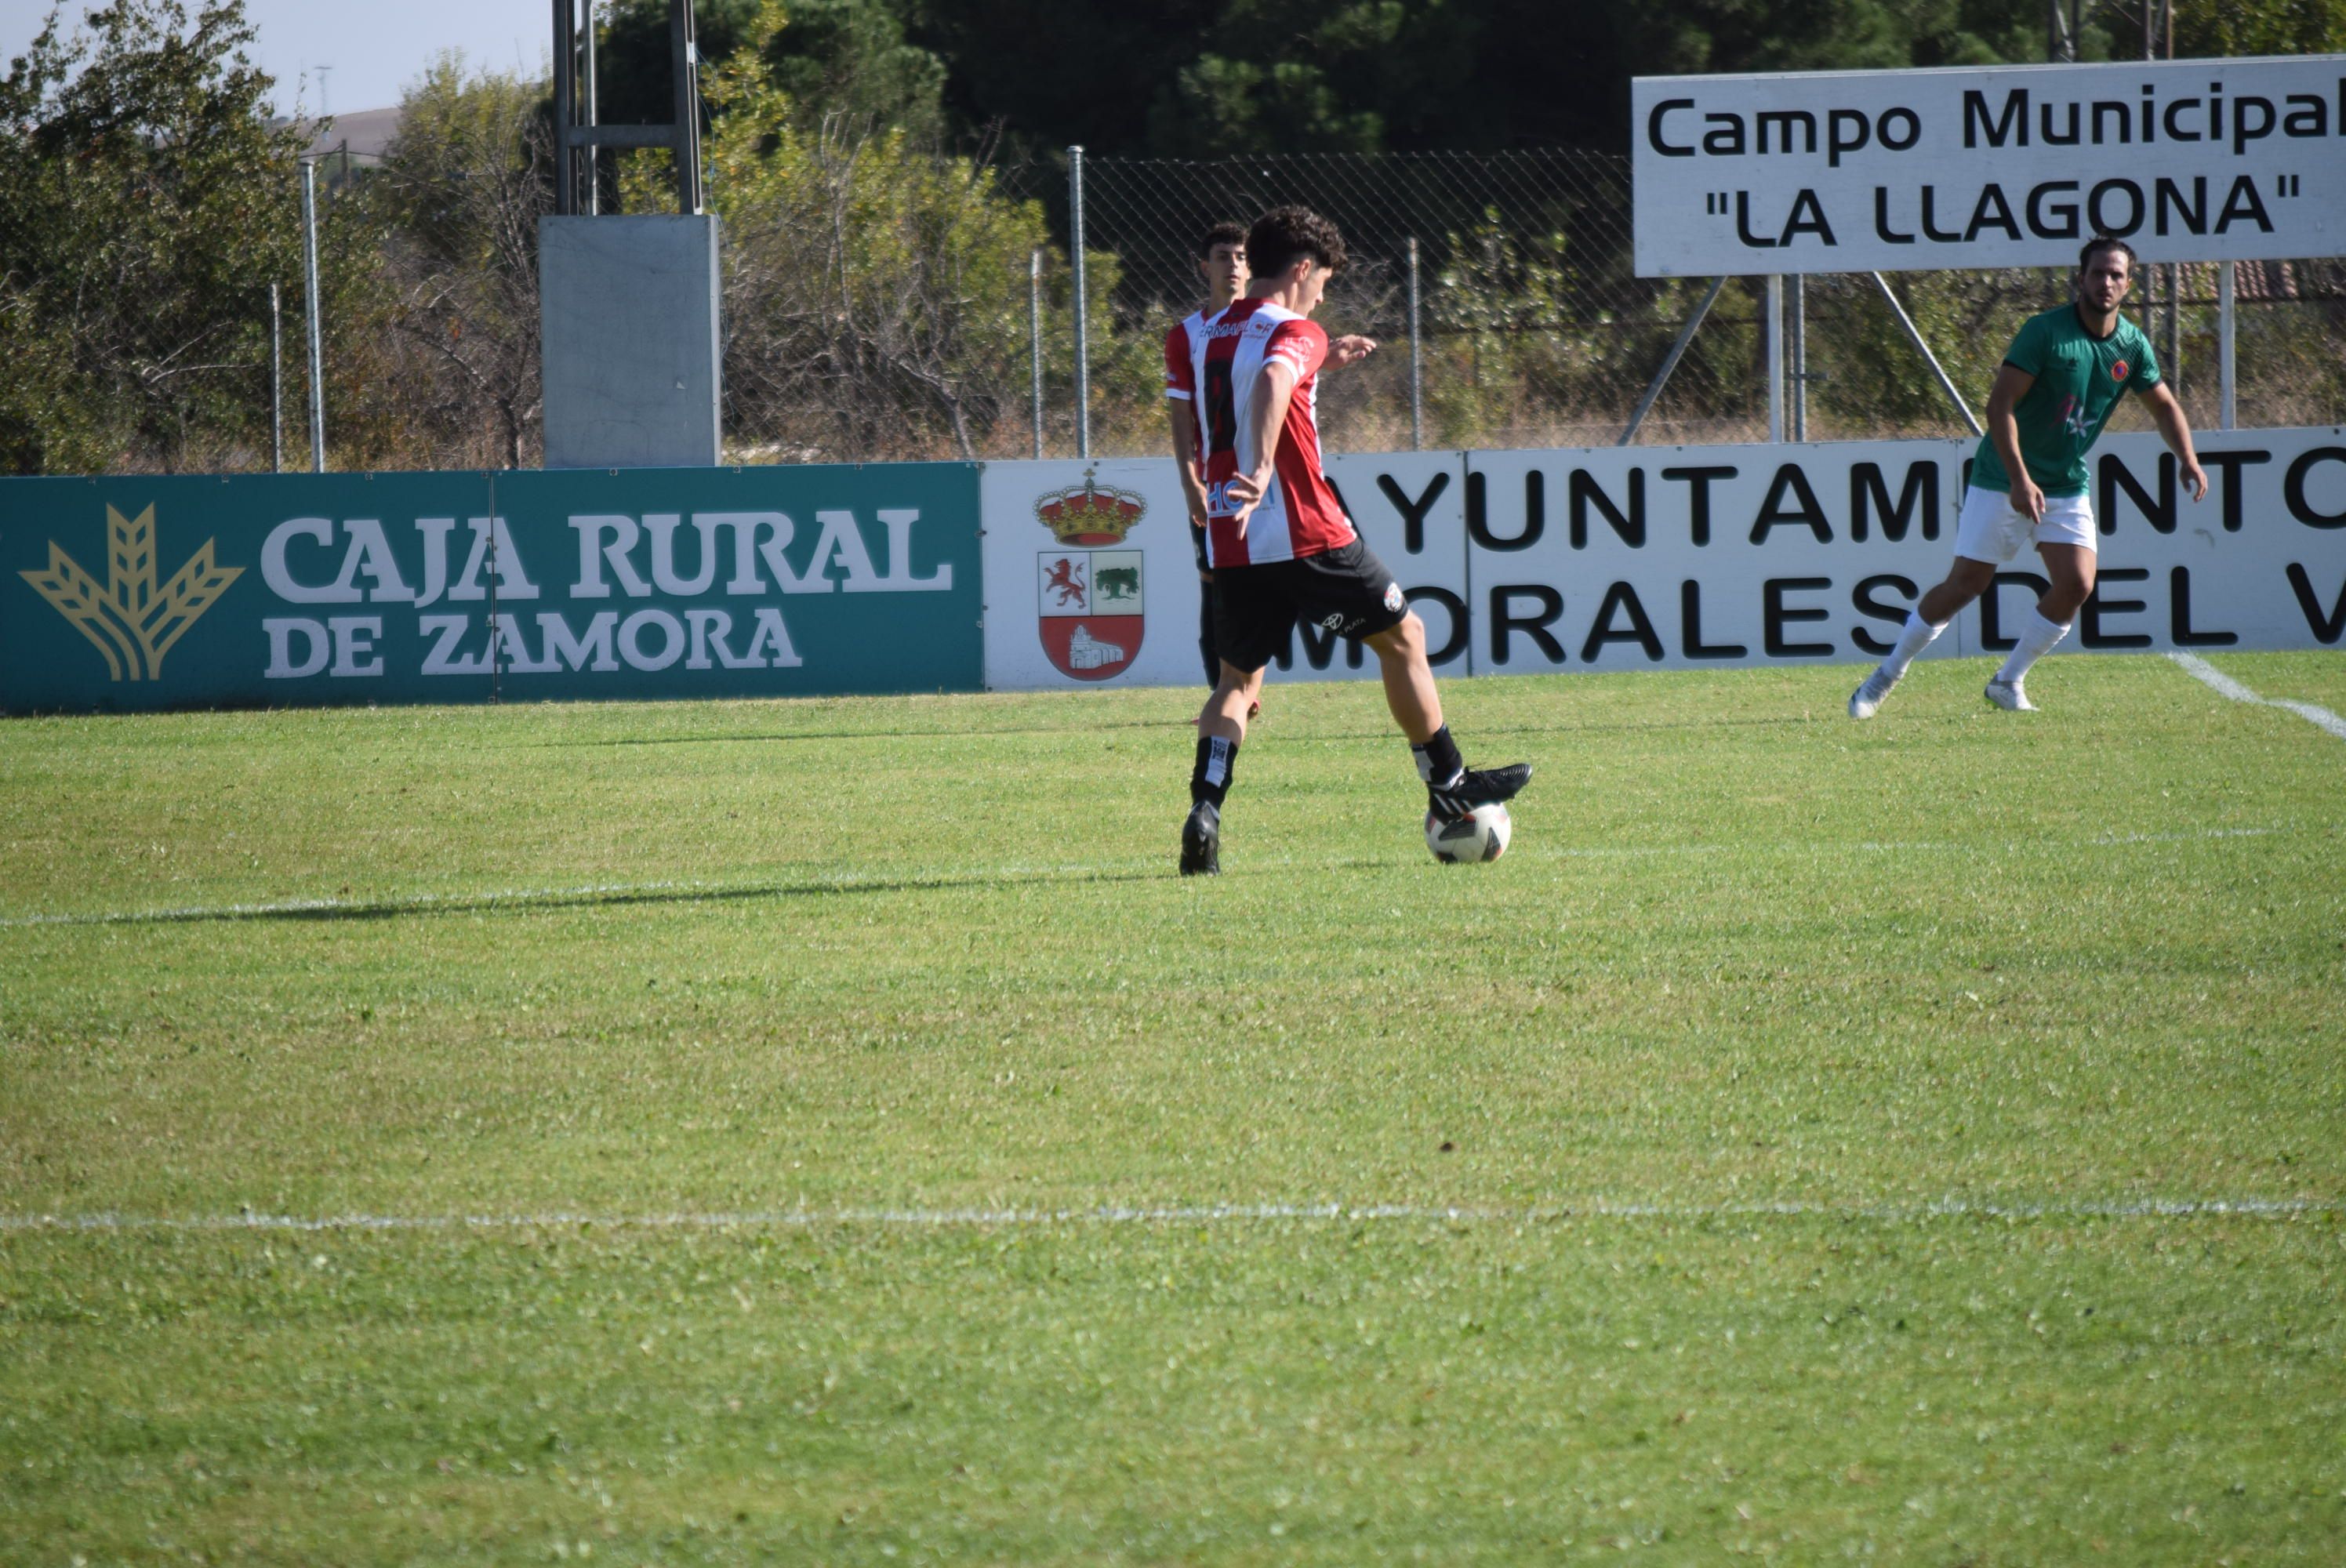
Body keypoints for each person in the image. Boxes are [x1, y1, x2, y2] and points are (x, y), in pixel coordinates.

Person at [1176, 205, 1528, 875]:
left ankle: (1206, 807)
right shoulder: (1297, 328)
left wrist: (1317, 367)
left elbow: (1244, 383)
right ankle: (1450, 785)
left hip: (1234, 536)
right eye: (1324, 283)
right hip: (1307, 531)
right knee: (1405, 637)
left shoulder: (1205, 333)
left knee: (1234, 681)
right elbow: (1276, 377)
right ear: (1303, 269)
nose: (1322, 297)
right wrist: (1259, 461)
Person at [1849, 234, 2208, 718]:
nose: (2106, 282)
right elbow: (2000, 405)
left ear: (2128, 285)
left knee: (2078, 584)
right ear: (2080, 278)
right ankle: (1886, 674)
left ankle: (2008, 681)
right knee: (1965, 586)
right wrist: (2019, 479)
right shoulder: (2044, 332)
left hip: (2064, 482)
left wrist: (2187, 457)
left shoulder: (2132, 344)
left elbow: (2163, 405)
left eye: (2117, 275)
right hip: (2002, 475)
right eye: (2098, 272)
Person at [1164, 222, 1377, 694]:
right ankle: (1226, 694)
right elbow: (1195, 407)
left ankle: (1232, 703)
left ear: (1254, 264)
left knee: (1255, 598)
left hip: (1280, 491)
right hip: (1227, 484)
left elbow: (1275, 370)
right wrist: (1189, 480)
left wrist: (1324, 359)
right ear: (1205, 267)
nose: (1234, 266)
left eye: (1241, 256)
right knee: (1216, 586)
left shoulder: (1279, 326)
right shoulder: (1190, 336)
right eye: (1223, 256)